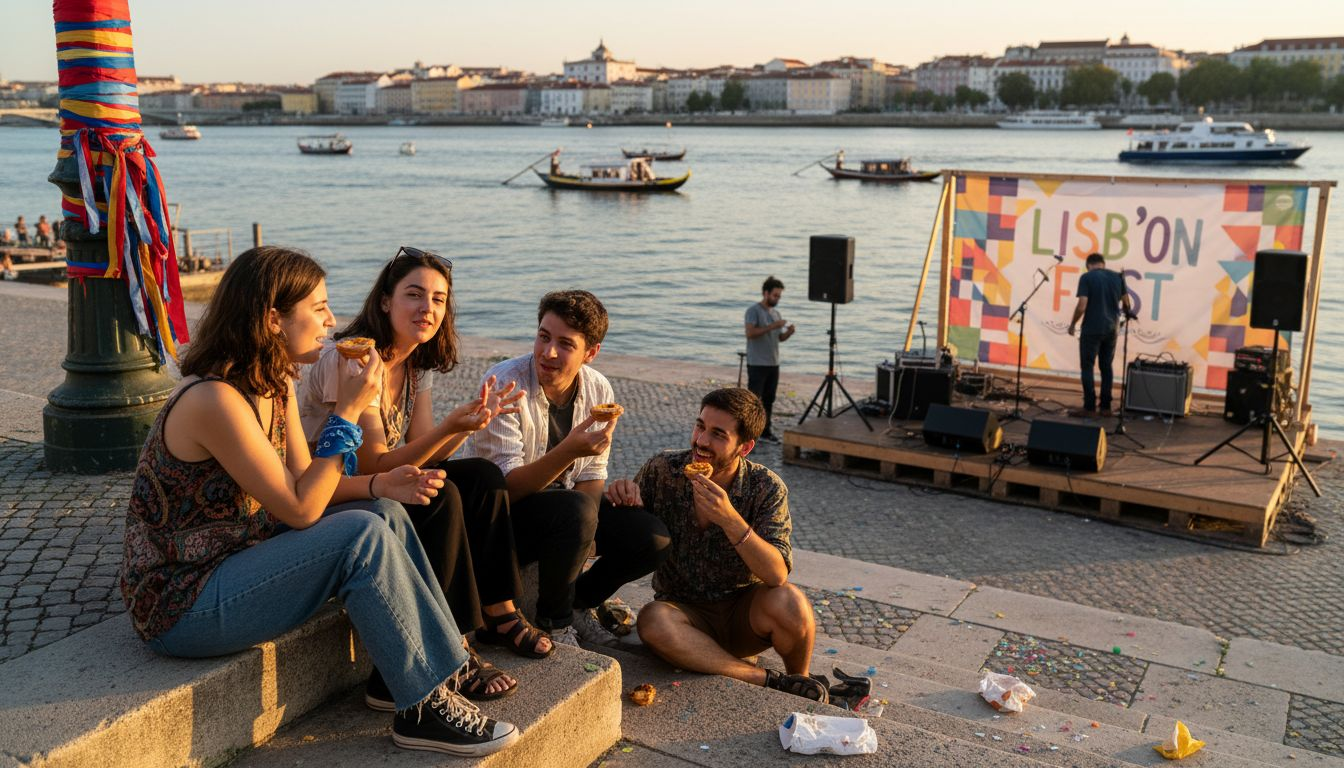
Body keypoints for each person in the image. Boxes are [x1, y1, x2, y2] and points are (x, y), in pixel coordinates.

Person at [120, 246, 519, 757]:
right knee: (360, 533)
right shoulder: (213, 399)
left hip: (241, 557)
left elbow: (309, 479)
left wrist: (379, 487)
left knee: (384, 514)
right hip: (184, 602)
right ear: (272, 319)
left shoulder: (275, 379)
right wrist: (349, 411)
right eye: (319, 308)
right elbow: (303, 509)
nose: (332, 320)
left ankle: (438, 669)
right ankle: (422, 706)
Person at [298, 246, 550, 694]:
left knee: (482, 478)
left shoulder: (416, 364)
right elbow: (375, 460)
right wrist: (453, 425)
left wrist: (468, 424)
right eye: (414, 295)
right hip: (335, 491)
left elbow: (424, 453)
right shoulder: (354, 361)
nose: (427, 308)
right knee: (442, 495)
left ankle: (499, 609)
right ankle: (452, 643)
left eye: (438, 300)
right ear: (384, 301)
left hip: (380, 481)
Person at [464, 290, 670, 647]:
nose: (548, 352)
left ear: (590, 353)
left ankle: (578, 603)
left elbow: (592, 475)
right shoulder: (504, 383)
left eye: (565, 344)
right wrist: (569, 450)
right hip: (502, 522)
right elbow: (506, 489)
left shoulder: (597, 389)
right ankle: (555, 624)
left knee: (651, 537)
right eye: (543, 337)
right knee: (573, 510)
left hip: (565, 512)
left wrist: (585, 532)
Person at [612, 387, 826, 702]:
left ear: (746, 447)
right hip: (682, 613)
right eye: (700, 426)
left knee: (792, 603)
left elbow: (777, 575)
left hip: (744, 614)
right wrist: (620, 496)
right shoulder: (664, 470)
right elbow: (630, 527)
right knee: (652, 620)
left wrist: (730, 519)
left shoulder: (765, 488)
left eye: (717, 434)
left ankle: (801, 684)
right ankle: (767, 680)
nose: (701, 441)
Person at [1067, 252, 1132, 417]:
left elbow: (1082, 305)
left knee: (1087, 366)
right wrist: (1123, 318)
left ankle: (1089, 407)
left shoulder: (1087, 277)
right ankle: (1105, 407)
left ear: (1088, 265)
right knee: (1106, 367)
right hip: (1112, 329)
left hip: (1092, 328)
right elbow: (1126, 303)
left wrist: (1073, 324)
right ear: (1103, 263)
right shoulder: (1118, 277)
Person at [743, 276, 795, 443]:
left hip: (773, 363)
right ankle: (748, 432)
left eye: (779, 296)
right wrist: (773, 326)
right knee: (754, 400)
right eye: (775, 295)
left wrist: (789, 333)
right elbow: (750, 333)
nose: (777, 299)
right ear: (766, 293)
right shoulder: (753, 311)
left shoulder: (776, 313)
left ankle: (765, 431)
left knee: (769, 399)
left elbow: (778, 338)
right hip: (757, 362)